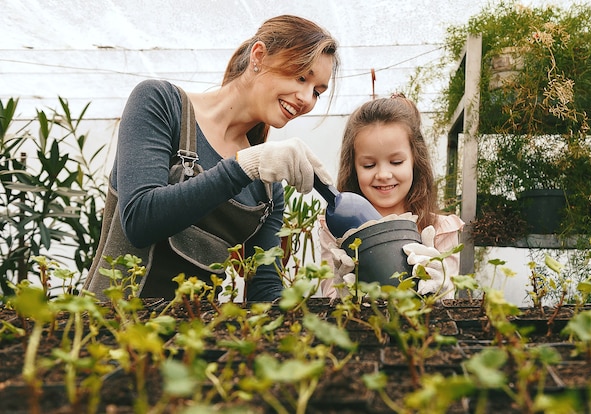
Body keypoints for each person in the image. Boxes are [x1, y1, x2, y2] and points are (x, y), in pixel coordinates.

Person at [83, 15, 339, 302]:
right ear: (259, 56)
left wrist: (343, 289)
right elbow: (140, 220)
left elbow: (264, 289)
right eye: (301, 76)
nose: (306, 98)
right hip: (108, 332)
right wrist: (244, 166)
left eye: (317, 91)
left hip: (195, 338)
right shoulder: (162, 104)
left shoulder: (266, 186)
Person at [319, 93, 463, 299]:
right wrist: (341, 294)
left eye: (396, 162)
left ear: (415, 160)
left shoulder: (440, 230)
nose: (383, 175)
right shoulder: (335, 229)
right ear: (353, 167)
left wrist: (441, 290)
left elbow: (445, 314)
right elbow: (330, 299)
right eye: (369, 165)